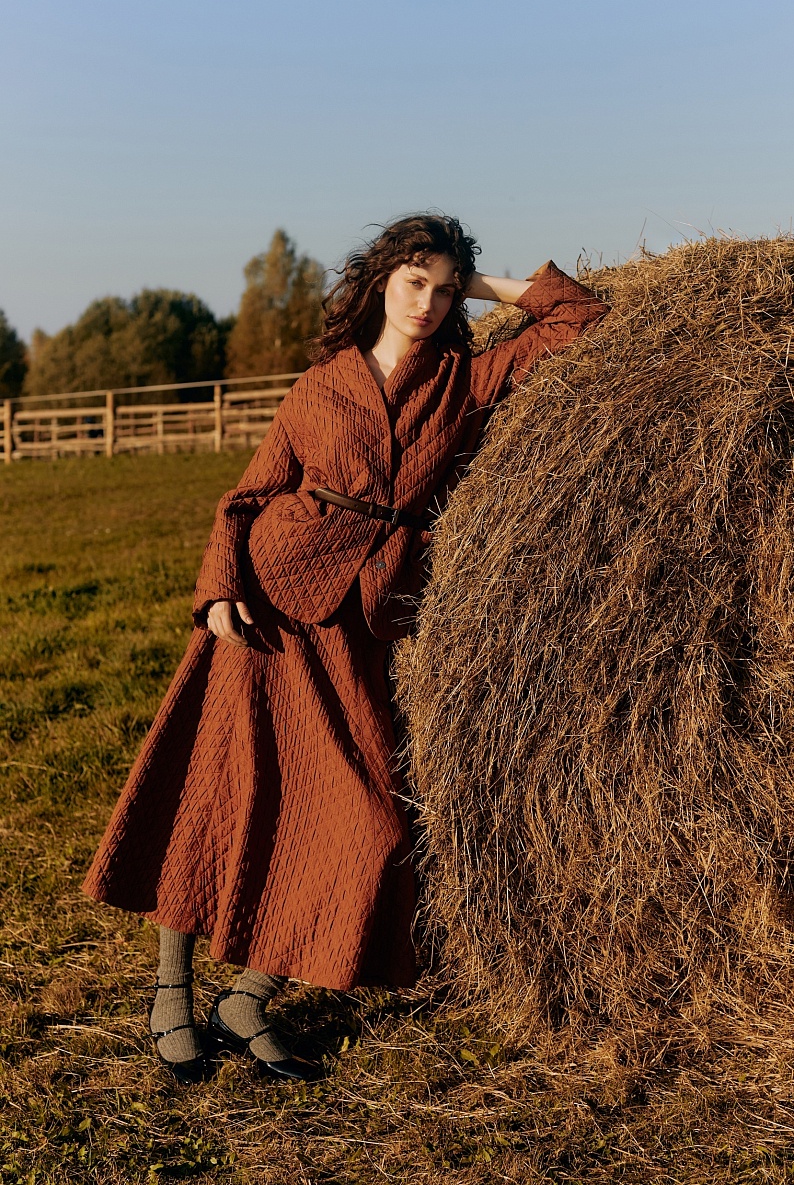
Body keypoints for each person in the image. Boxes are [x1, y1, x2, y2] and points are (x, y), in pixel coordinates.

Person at [82, 213, 608, 1083]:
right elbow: (246, 496)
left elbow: (582, 317)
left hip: (365, 618)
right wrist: (217, 594)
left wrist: (483, 284)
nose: (430, 303)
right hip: (271, 606)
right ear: (380, 282)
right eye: (415, 282)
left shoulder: (467, 380)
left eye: (445, 290)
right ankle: (170, 992)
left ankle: (245, 998)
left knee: (370, 823)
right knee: (217, 796)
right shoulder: (318, 386)